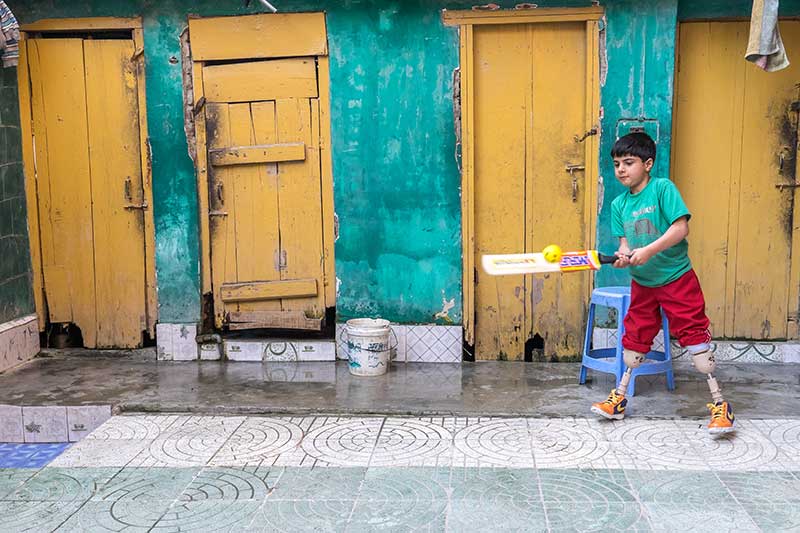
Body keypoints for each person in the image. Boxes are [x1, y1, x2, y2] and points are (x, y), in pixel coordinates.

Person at [590, 132, 734, 435]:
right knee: (635, 338)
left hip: (676, 279)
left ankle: (721, 405)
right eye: (617, 164)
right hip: (643, 283)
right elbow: (626, 244)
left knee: (695, 339)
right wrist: (624, 256)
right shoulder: (618, 204)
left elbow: (681, 228)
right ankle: (620, 398)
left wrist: (649, 250)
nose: (621, 170)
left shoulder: (662, 189)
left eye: (628, 163)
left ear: (648, 163)